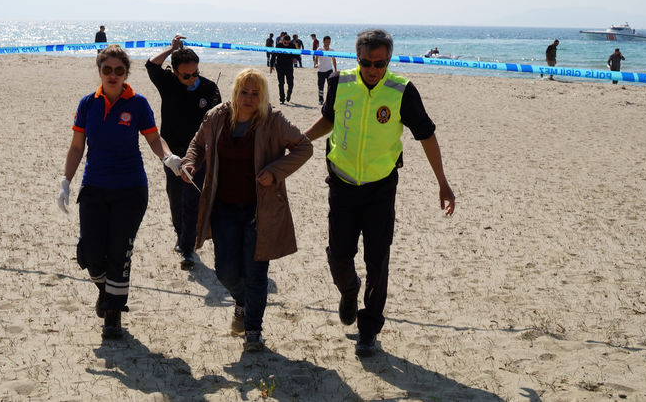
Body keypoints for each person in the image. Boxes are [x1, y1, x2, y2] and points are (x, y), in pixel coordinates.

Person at [304, 29, 455, 357]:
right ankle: (348, 290)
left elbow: (426, 136)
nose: (373, 69)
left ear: (389, 60)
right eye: (366, 62)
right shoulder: (339, 83)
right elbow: (328, 121)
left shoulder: (402, 91)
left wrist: (442, 182)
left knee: (378, 261)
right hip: (341, 186)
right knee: (338, 256)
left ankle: (368, 329)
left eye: (380, 63)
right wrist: (301, 140)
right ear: (357, 58)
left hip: (380, 190)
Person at [180, 68, 312, 352]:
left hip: (260, 211)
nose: (249, 98)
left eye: (255, 93)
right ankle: (241, 302)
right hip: (223, 207)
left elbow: (304, 147)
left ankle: (253, 330)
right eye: (244, 92)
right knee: (225, 271)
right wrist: (191, 163)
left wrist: (275, 172)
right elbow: (197, 144)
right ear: (235, 92)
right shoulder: (217, 116)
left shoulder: (273, 119)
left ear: (263, 96)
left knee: (255, 273)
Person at [57, 44, 182, 339]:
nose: (113, 75)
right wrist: (66, 180)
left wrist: (168, 157)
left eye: (119, 71)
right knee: (89, 253)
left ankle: (113, 315)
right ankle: (104, 291)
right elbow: (77, 147)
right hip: (94, 187)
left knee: (119, 253)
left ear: (126, 73)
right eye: (107, 70)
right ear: (99, 71)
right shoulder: (88, 103)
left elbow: (154, 139)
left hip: (131, 189)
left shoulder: (137, 104)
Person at [146, 35, 222, 269]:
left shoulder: (209, 88)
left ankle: (187, 248)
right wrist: (171, 48)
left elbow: (221, 120)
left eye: (196, 73)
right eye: (186, 75)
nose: (192, 79)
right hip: (172, 152)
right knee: (175, 195)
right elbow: (151, 64)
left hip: (199, 152)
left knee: (192, 197)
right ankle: (181, 235)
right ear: (175, 72)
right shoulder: (167, 82)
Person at [269, 33, 300, 104]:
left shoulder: (292, 46)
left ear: (289, 41)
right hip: (279, 66)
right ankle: (282, 99)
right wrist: (271, 66)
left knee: (291, 83)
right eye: (284, 42)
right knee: (281, 83)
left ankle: (288, 95)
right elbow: (273, 56)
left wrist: (295, 58)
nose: (286, 44)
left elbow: (298, 55)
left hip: (289, 66)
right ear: (282, 41)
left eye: (287, 42)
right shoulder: (278, 46)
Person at [316, 35, 337, 105]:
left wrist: (335, 69)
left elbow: (334, 59)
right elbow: (316, 57)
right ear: (323, 41)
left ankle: (329, 100)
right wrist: (315, 64)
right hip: (321, 70)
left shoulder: (332, 50)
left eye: (329, 42)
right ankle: (321, 100)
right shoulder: (319, 49)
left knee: (330, 86)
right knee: (321, 86)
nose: (328, 43)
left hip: (329, 70)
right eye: (326, 42)